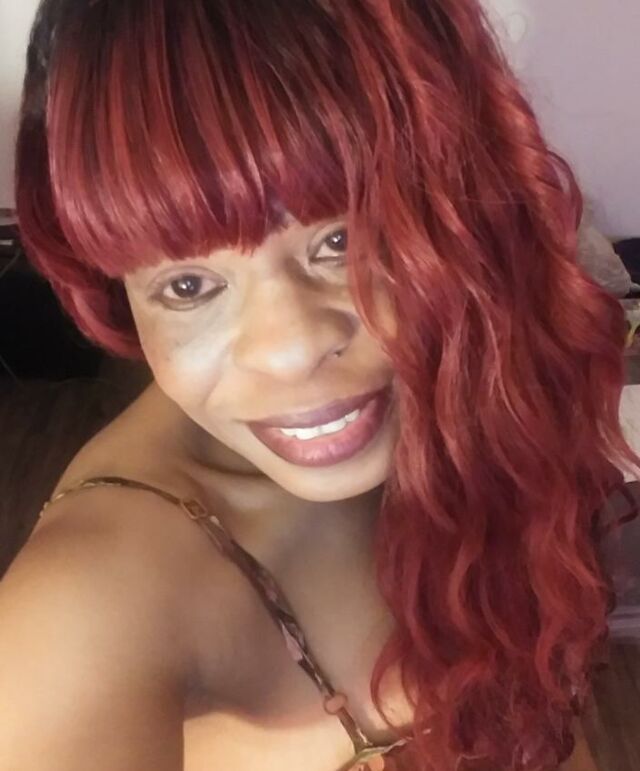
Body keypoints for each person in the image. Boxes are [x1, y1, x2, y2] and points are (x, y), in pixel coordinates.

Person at [1, 1, 638, 769]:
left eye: (342, 239)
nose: (291, 350)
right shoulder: (87, 608)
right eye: (188, 285)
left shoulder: (488, 383)